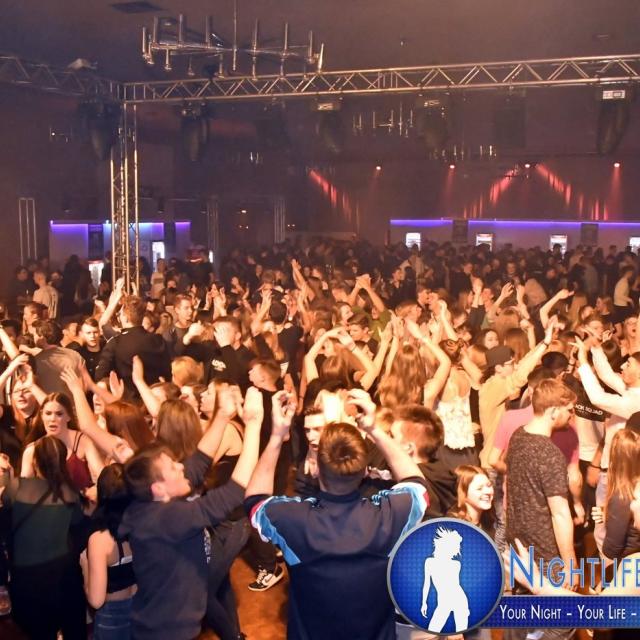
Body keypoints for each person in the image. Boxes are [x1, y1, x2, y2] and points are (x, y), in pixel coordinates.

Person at [245, 388, 428, 640]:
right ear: (364, 471)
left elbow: (254, 501)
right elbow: (416, 482)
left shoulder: (293, 519)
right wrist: (374, 429)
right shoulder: (389, 515)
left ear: (317, 468)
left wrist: (277, 436)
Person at [117, 386, 262, 640]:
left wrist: (222, 415)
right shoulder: (166, 518)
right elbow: (232, 494)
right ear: (159, 489)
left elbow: (197, 463)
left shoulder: (150, 503)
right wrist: (253, 425)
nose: (180, 467)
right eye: (173, 468)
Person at [504, 378, 578, 640]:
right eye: (569, 410)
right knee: (565, 617)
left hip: (519, 544)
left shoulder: (518, 436)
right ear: (553, 411)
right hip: (546, 552)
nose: (572, 416)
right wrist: (570, 562)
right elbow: (560, 513)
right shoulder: (550, 453)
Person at [1, 436, 86, 638]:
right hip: (61, 578)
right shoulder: (70, 493)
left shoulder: (16, 487)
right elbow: (78, 529)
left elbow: (6, 517)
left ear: (35, 461)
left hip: (26, 579)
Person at [80, 463, 136, 639]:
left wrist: (85, 566)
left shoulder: (100, 540)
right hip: (142, 609)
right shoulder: (144, 525)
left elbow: (96, 600)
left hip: (113, 618)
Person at [95, 295, 171, 394]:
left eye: (120, 314)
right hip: (153, 396)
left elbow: (100, 376)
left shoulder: (116, 342)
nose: (119, 316)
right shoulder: (158, 340)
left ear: (126, 318)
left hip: (126, 399)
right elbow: (167, 372)